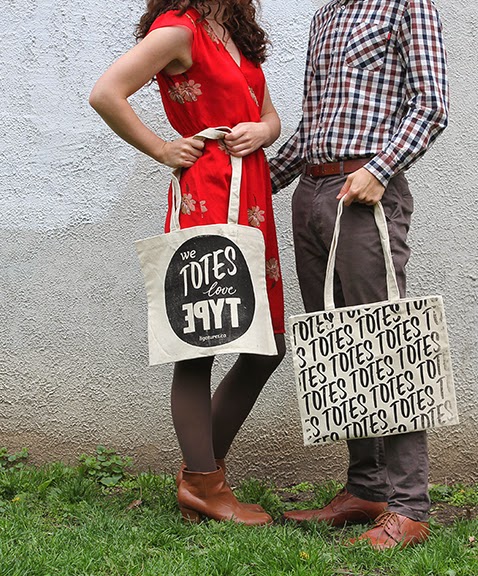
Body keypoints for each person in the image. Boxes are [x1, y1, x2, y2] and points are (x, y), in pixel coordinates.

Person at [90, 0, 285, 526]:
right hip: (207, 196)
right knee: (202, 342)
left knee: (268, 346)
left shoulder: (236, 30)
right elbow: (106, 93)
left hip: (251, 198)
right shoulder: (179, 30)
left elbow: (269, 114)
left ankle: (199, 475)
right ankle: (204, 482)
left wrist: (263, 132)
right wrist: (161, 148)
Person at [269, 0, 449, 548]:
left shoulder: (407, 5)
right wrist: (253, 180)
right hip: (312, 193)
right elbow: (310, 128)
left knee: (387, 344)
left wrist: (380, 169)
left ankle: (409, 506)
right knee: (338, 345)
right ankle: (366, 488)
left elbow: (431, 107)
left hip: (366, 195)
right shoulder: (324, 17)